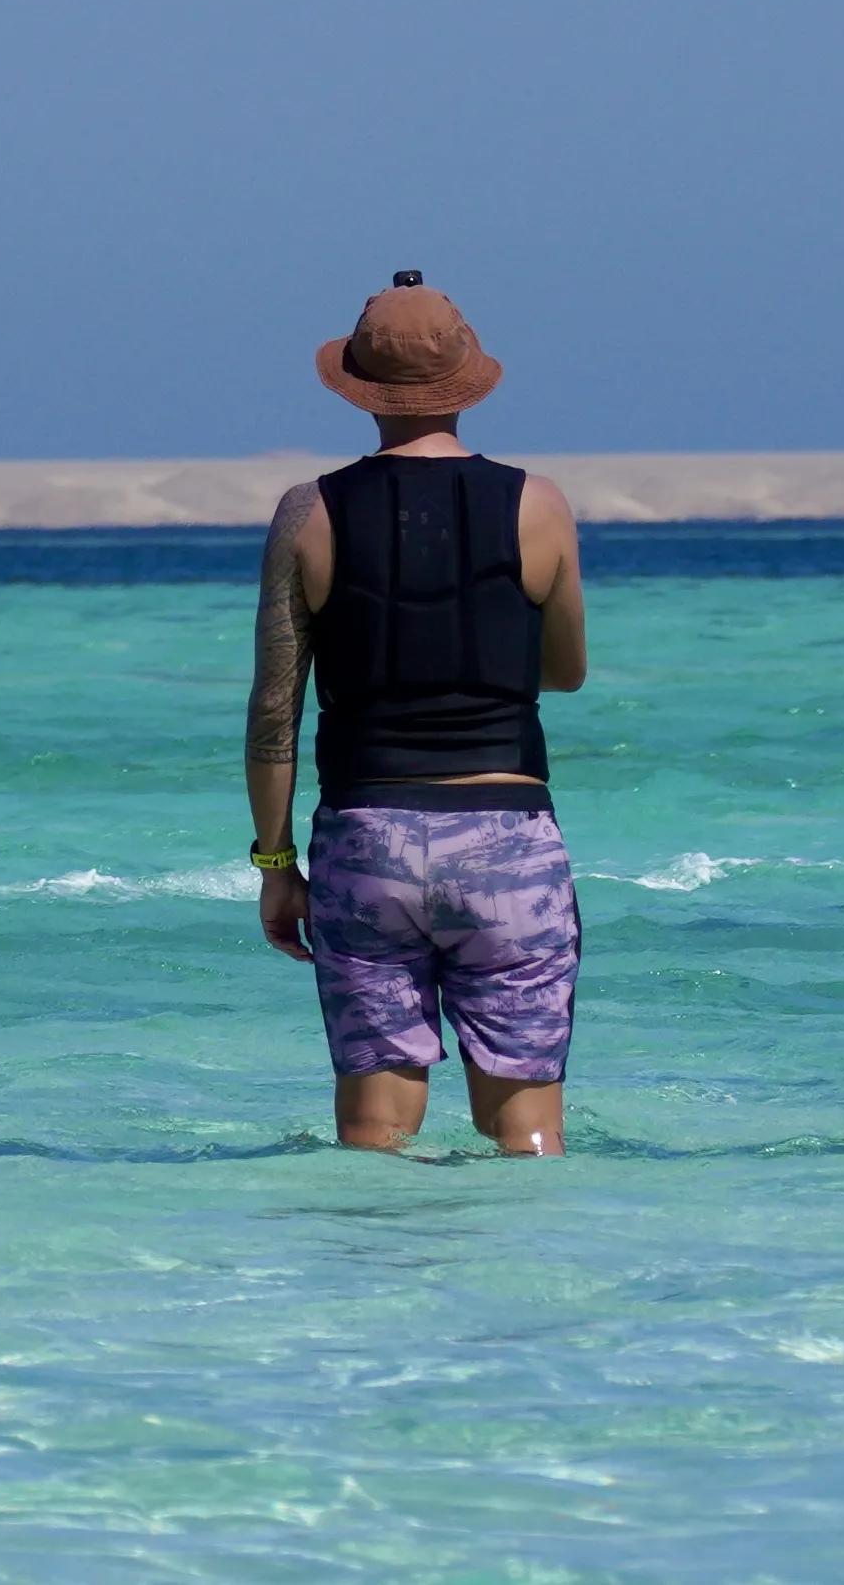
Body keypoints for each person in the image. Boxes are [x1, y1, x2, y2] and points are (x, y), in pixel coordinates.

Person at [244, 273, 591, 1155]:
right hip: (508, 834)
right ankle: (535, 1282)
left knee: (374, 1131)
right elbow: (567, 671)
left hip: (365, 838)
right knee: (527, 1131)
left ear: (358, 387)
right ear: (469, 376)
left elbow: (275, 708)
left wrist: (276, 862)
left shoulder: (307, 512)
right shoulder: (538, 503)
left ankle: (378, 1287)